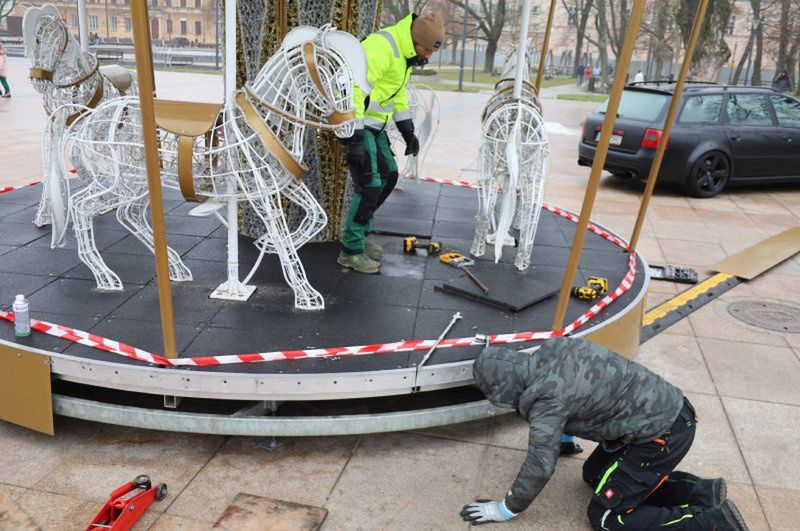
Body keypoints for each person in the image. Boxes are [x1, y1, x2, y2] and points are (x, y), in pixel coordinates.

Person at [460, 338, 748, 530]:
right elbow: (584, 387)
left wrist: (506, 508)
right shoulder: (554, 349)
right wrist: (563, 438)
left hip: (660, 435)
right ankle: (701, 492)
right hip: (667, 408)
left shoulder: (546, 404)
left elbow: (540, 465)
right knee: (595, 475)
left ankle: (711, 522)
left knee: (608, 517)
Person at [338, 12, 445, 274]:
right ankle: (351, 250)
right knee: (370, 185)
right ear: (416, 40)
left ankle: (360, 235)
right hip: (358, 126)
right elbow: (353, 89)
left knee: (389, 176)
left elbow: (397, 98)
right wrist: (355, 138)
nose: (427, 56)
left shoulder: (406, 55)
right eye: (427, 50)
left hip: (375, 126)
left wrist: (408, 131)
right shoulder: (382, 46)